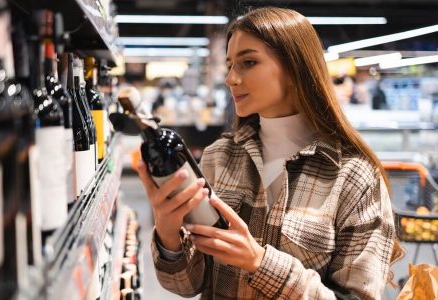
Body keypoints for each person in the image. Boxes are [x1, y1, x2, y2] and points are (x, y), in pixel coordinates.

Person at [137, 7, 403, 299]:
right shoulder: (219, 157)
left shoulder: (354, 178)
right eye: (230, 65)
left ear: (295, 69)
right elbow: (188, 285)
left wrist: (260, 263)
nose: (231, 78)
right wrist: (167, 231)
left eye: (248, 62)